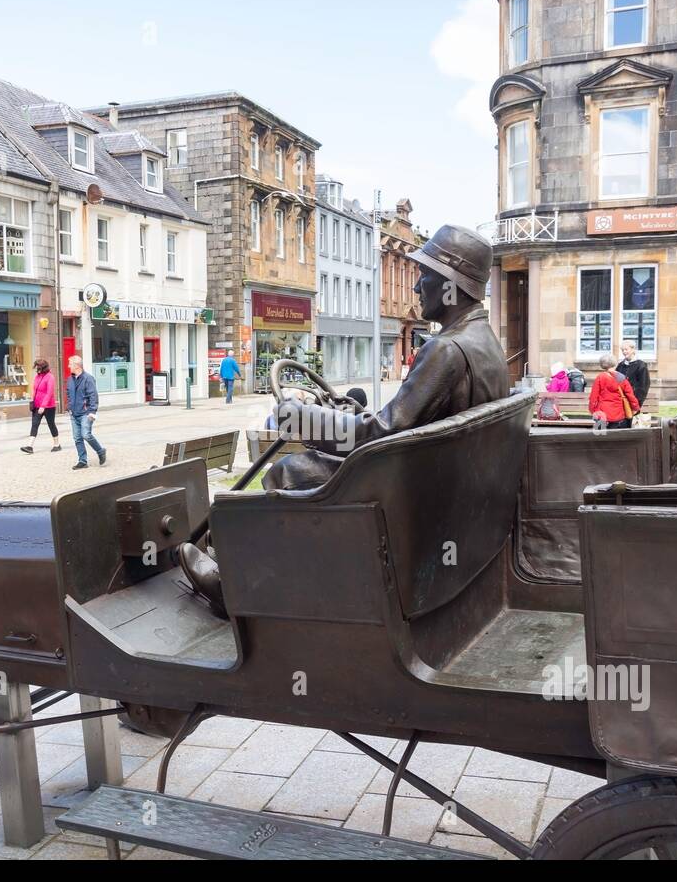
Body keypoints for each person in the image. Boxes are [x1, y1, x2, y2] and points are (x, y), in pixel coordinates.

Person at [177, 224, 508, 616]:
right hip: (448, 487)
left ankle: (240, 589)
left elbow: (382, 432)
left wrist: (307, 420)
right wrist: (340, 414)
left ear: (450, 284)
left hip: (420, 494)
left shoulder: (446, 349)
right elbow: (402, 422)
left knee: (291, 472)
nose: (418, 287)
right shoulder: (483, 341)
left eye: (424, 276)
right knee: (304, 469)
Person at [65, 355, 106, 470]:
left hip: (85, 413)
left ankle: (100, 451)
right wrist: (69, 407)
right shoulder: (70, 379)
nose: (68, 366)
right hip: (74, 413)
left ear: (76, 365)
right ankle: (82, 461)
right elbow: (68, 393)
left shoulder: (88, 378)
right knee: (77, 438)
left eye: (70, 364)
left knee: (86, 435)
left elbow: (93, 395)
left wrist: (92, 411)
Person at [589, 353, 640, 430]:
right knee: (614, 435)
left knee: (599, 435)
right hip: (617, 413)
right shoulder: (622, 378)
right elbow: (630, 395)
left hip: (601, 412)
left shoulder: (600, 377)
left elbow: (593, 396)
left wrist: (592, 410)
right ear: (615, 364)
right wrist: (635, 407)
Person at [21, 359, 62, 454]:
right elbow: (34, 389)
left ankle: (57, 444)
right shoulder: (37, 377)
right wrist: (32, 400)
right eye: (36, 368)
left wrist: (43, 406)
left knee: (51, 424)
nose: (37, 369)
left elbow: (49, 393)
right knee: (34, 424)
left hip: (48, 406)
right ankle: (29, 446)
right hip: (36, 405)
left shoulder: (50, 377)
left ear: (43, 368)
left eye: (38, 368)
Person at [617, 342, 651, 408]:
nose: (624, 352)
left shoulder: (641, 365)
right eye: (622, 350)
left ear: (633, 350)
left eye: (626, 349)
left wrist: (637, 403)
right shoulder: (620, 365)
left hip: (634, 401)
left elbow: (643, 386)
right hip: (620, 401)